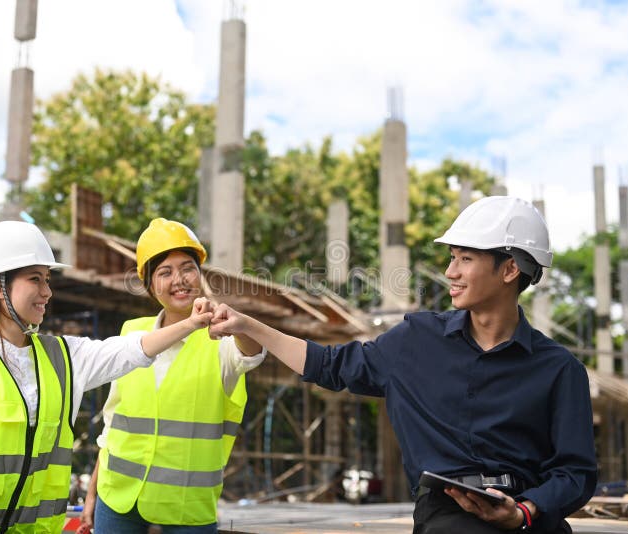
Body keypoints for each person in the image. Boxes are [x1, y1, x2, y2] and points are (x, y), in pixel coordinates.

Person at [209, 196, 597, 533]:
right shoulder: (416, 341)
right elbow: (330, 366)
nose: (450, 272)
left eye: (465, 259)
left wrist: (524, 512)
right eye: (452, 258)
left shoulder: (560, 370)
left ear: (510, 269)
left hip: (530, 516)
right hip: (449, 514)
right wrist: (251, 326)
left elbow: (575, 473)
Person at [0, 220, 215, 534]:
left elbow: (132, 349)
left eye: (48, 280)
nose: (47, 292)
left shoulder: (64, 358)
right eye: (35, 279)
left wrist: (191, 323)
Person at [80, 218, 265, 534]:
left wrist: (239, 326)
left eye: (187, 268)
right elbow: (112, 423)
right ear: (150, 285)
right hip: (119, 500)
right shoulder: (132, 334)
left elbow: (252, 353)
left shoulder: (221, 338)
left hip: (186, 508)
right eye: (165, 272)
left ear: (200, 275)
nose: (179, 279)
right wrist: (92, 492)